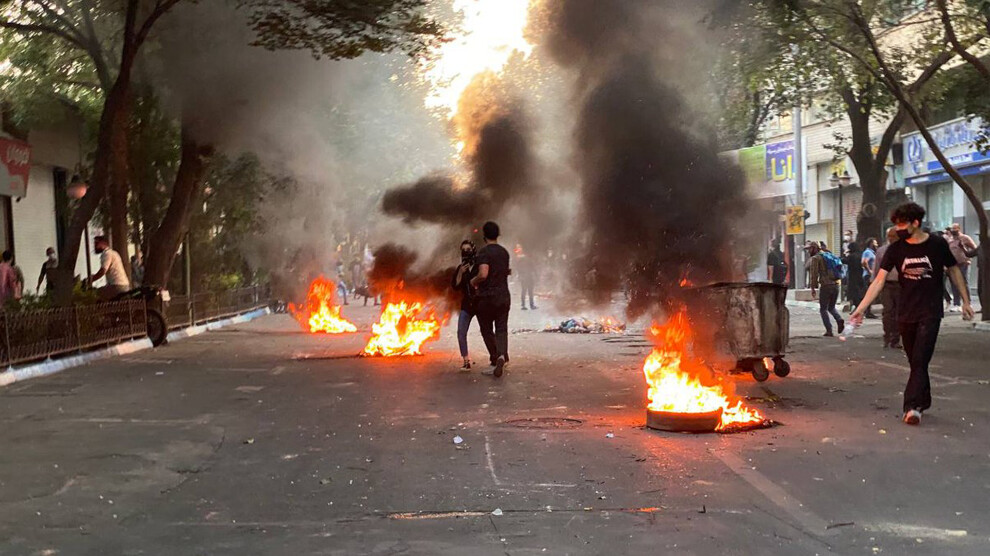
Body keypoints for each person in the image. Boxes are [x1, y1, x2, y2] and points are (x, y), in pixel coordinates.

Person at [852, 202, 973, 426]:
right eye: (896, 225)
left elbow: (954, 270)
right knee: (916, 361)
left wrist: (966, 301)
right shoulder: (896, 249)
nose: (898, 229)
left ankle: (912, 407)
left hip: (930, 312)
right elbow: (878, 281)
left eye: (902, 224)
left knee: (919, 358)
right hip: (906, 312)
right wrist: (860, 309)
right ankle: (923, 399)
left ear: (915, 223)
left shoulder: (937, 244)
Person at [470, 221, 511, 378]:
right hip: (503, 296)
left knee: (487, 330)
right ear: (497, 235)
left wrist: (473, 281)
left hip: (487, 298)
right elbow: (506, 271)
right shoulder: (504, 252)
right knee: (501, 328)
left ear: (484, 235)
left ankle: (495, 359)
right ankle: (502, 355)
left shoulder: (484, 252)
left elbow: (483, 274)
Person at [451, 240, 478, 370]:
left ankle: (496, 357)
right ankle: (466, 361)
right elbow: (455, 286)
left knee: (487, 332)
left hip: (480, 304)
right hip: (467, 305)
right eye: (463, 250)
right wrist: (461, 272)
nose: (466, 252)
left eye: (468, 249)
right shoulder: (461, 268)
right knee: (461, 332)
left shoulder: (479, 266)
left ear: (473, 250)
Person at [808, 241, 845, 337]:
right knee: (831, 307)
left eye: (810, 249)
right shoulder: (829, 255)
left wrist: (813, 287)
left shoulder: (816, 258)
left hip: (826, 286)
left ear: (814, 248)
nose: (808, 251)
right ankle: (839, 319)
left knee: (823, 309)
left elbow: (814, 274)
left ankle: (829, 330)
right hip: (836, 285)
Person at [874, 227, 901, 349]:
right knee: (888, 312)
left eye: (894, 236)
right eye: (889, 236)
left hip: (901, 285)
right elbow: (877, 268)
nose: (891, 238)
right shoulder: (881, 251)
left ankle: (896, 338)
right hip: (886, 285)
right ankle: (887, 336)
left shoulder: (905, 250)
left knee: (899, 312)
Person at [946, 222, 977, 312]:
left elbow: (975, 249)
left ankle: (968, 303)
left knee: (964, 283)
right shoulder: (950, 239)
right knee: (954, 283)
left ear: (959, 229)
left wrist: (968, 257)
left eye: (955, 229)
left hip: (964, 263)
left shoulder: (965, 238)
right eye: (952, 229)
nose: (953, 230)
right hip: (953, 265)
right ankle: (957, 304)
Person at [89, 236, 130, 300]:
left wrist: (91, 279)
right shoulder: (114, 253)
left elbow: (103, 271)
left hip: (116, 286)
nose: (95, 246)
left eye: (97, 243)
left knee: (93, 294)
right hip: (125, 286)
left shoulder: (106, 254)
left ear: (103, 243)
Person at [843, 242, 866, 315]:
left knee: (854, 293)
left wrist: (845, 254)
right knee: (859, 292)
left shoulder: (851, 256)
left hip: (852, 276)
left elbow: (844, 261)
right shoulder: (860, 255)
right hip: (860, 275)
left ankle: (858, 308)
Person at [514, 244, 537, 310]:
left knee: (529, 291)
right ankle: (524, 305)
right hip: (524, 276)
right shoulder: (518, 258)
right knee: (525, 290)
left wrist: (533, 273)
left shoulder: (525, 257)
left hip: (528, 276)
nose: (519, 249)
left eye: (520, 247)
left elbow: (531, 265)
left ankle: (530, 305)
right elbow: (517, 268)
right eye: (518, 247)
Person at [861, 237, 879, 318]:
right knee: (869, 293)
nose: (877, 244)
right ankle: (867, 312)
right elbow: (864, 262)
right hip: (868, 276)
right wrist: (870, 271)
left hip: (871, 275)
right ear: (871, 244)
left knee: (871, 293)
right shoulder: (868, 252)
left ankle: (868, 311)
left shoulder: (872, 252)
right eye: (875, 243)